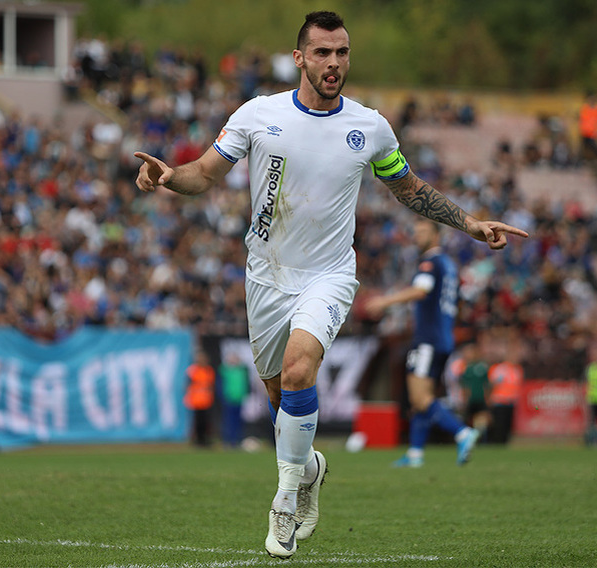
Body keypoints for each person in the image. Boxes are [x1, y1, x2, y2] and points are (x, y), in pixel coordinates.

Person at [134, 11, 528, 558]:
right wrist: (169, 177)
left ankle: (285, 498)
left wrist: (471, 224)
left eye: (342, 52)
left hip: (330, 274)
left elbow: (410, 190)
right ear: (300, 58)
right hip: (265, 276)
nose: (334, 63)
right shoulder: (258, 114)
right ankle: (311, 468)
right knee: (280, 398)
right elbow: (204, 173)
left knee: (300, 368)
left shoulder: (370, 128)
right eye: (322, 53)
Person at [365, 219, 482, 468]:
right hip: (443, 337)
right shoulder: (449, 265)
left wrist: (383, 302)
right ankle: (415, 453)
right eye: (415, 232)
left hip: (428, 338)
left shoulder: (430, 262)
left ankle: (462, 432)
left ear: (436, 235)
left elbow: (420, 291)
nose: (417, 237)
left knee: (419, 398)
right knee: (425, 396)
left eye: (423, 232)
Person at [487, 335, 524, 445]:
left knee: (508, 426)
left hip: (511, 401)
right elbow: (491, 384)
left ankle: (504, 444)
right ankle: (496, 444)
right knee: (499, 425)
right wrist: (489, 398)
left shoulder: (518, 370)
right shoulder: (500, 369)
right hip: (500, 401)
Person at [183, 350, 216, 447]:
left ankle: (205, 439)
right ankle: (197, 440)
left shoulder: (209, 370)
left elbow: (211, 385)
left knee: (206, 421)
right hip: (196, 400)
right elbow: (187, 384)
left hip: (206, 400)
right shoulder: (193, 370)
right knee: (197, 422)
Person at [218, 352, 250, 448]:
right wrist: (223, 396)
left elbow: (246, 384)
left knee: (238, 421)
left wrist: (246, 394)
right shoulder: (225, 371)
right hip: (229, 399)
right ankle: (227, 440)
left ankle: (237, 440)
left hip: (239, 399)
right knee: (229, 421)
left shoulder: (242, 371)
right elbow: (220, 386)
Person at [578, 91, 597, 162]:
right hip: (585, 132)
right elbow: (582, 119)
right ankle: (581, 161)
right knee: (583, 147)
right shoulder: (585, 108)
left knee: (594, 147)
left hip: (593, 132)